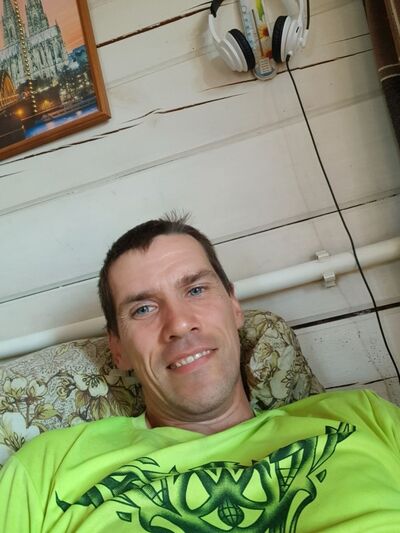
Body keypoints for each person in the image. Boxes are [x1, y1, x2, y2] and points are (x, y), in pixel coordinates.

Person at [0, 214, 400, 532]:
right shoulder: (46, 470)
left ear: (234, 306)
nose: (179, 324)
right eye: (143, 309)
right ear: (118, 348)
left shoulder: (365, 416)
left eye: (195, 290)